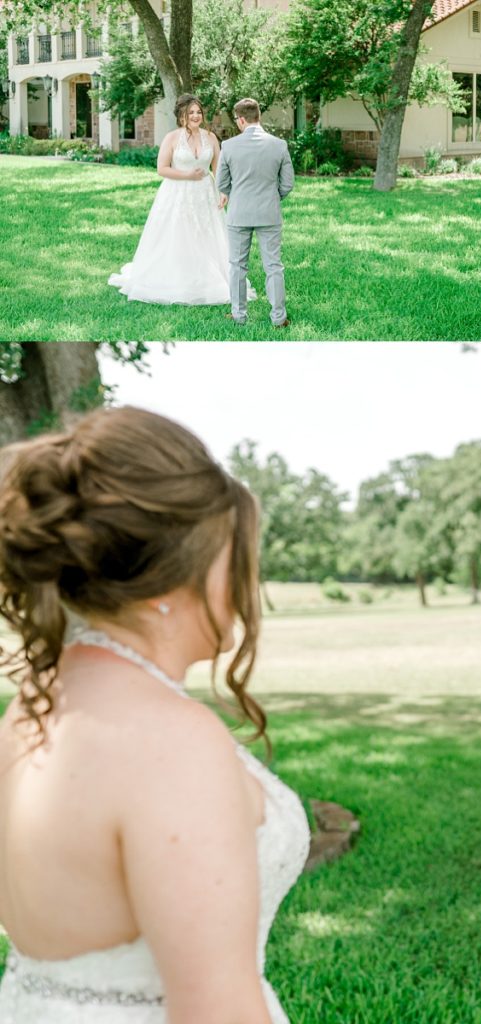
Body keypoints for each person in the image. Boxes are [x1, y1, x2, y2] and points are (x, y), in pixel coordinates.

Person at [0, 406, 309, 1023]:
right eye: (235, 554)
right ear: (181, 570)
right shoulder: (172, 737)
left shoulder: (34, 703)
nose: (247, 581)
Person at [109, 94, 253, 306]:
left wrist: (223, 191)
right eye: (191, 112)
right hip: (177, 193)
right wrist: (187, 175)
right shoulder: (172, 138)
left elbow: (218, 168)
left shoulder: (211, 138)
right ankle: (178, 278)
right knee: (179, 234)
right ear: (182, 116)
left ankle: (209, 278)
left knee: (206, 235)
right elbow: (162, 169)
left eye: (198, 112)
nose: (196, 116)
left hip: (205, 194)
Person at [216, 98, 295, 329]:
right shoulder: (279, 145)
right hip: (269, 213)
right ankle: (279, 317)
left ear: (241, 120)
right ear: (258, 116)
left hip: (239, 213)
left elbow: (222, 182)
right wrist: (272, 197)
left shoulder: (228, 146)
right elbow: (287, 184)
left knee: (237, 266)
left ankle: (239, 315)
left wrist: (238, 196)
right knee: (273, 266)